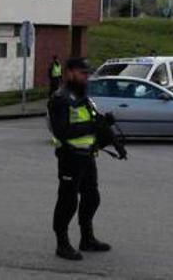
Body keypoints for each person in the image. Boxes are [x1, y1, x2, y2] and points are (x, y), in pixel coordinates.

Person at [48, 57, 127, 261]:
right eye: (83, 73)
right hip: (70, 157)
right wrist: (93, 126)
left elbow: (96, 122)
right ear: (70, 73)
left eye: (87, 73)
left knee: (92, 198)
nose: (87, 77)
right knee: (68, 202)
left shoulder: (83, 97)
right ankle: (62, 243)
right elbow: (62, 131)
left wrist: (114, 141)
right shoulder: (60, 98)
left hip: (87, 157)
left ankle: (87, 238)